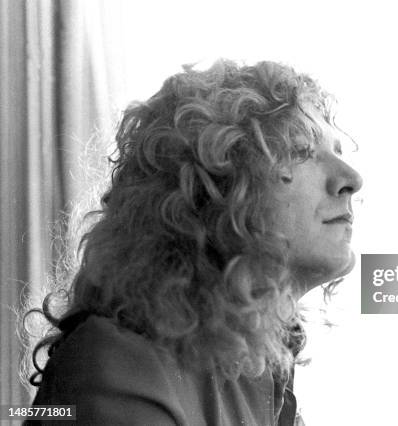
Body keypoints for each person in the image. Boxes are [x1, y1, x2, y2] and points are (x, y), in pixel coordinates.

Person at [24, 59, 362, 425]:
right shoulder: (119, 368)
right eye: (300, 152)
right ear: (214, 188)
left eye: (338, 152)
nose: (352, 179)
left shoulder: (256, 367)